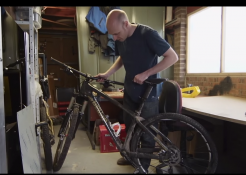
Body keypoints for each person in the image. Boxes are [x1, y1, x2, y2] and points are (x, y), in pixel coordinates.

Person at [95, 9, 179, 173]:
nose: (114, 38)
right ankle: (131, 157)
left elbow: (172, 57)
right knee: (130, 127)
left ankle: (143, 168)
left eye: (116, 34)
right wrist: (107, 74)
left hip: (148, 93)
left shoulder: (147, 34)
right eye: (112, 35)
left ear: (126, 24)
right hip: (130, 90)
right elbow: (122, 57)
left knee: (147, 134)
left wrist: (147, 73)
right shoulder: (121, 36)